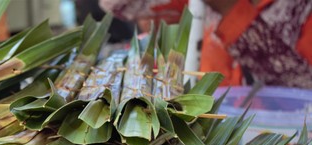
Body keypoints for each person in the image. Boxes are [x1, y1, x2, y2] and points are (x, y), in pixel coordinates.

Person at [99, 0, 312, 89]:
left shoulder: (301, 11)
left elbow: (300, 91)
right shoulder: (195, 5)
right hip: (207, 141)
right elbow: (120, 5)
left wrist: (228, 7)